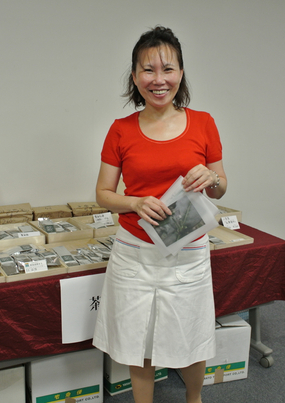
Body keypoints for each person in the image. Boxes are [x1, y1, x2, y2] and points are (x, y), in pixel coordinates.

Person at [92, 26, 227, 403]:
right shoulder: (120, 130)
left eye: (167, 69)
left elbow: (221, 187)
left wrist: (212, 178)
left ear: (181, 73)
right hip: (135, 252)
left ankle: (194, 399)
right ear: (135, 77)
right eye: (148, 70)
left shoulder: (203, 123)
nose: (158, 79)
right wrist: (135, 202)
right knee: (139, 340)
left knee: (191, 336)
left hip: (187, 251)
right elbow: (103, 194)